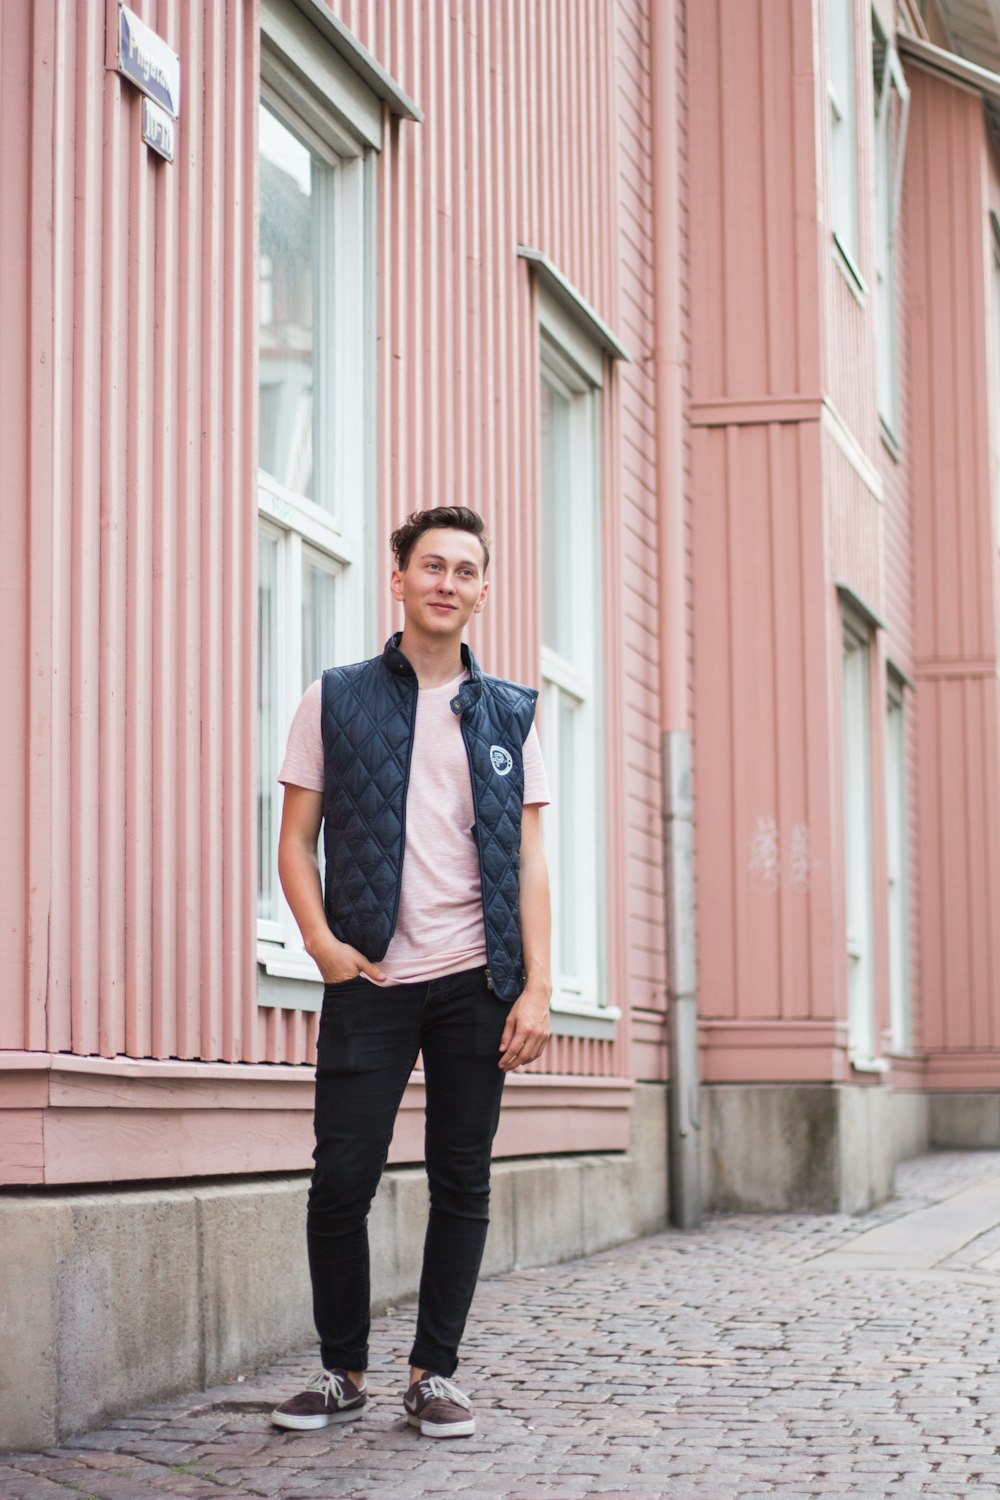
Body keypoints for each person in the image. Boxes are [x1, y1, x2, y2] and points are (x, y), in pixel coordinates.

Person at [270, 506, 552, 1440]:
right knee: (340, 1179)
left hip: (478, 981)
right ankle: (341, 1369)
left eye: (465, 570)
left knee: (461, 1178)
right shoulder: (337, 697)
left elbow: (531, 860)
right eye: (431, 566)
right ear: (399, 579)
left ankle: (435, 1373)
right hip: (373, 980)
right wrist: (320, 946)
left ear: (481, 590)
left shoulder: (512, 711)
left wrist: (539, 986)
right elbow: (295, 842)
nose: (446, 583)